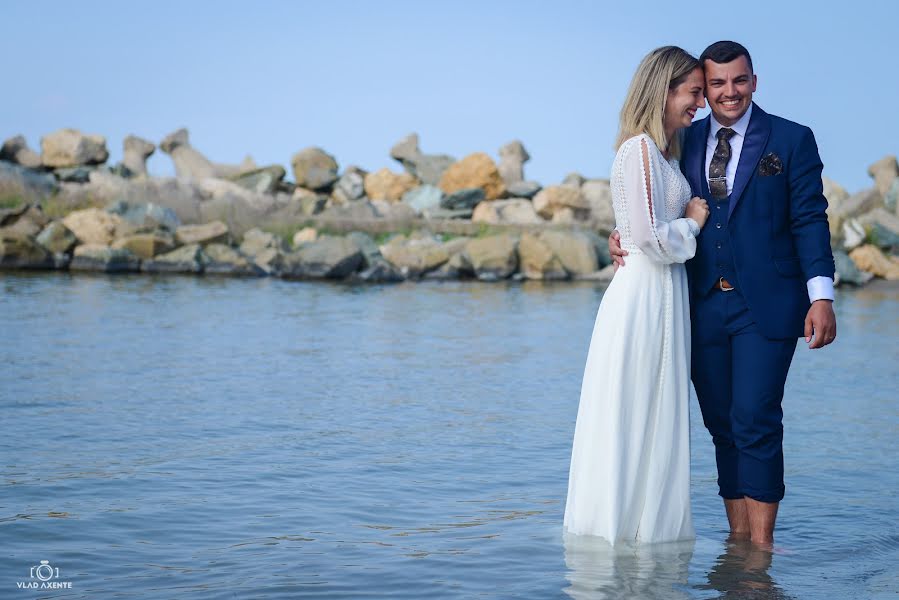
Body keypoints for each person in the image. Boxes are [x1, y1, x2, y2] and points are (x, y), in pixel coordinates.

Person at [609, 41, 837, 546]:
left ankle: (762, 551)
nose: (728, 92)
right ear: (704, 89)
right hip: (697, 305)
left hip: (768, 305)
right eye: (716, 84)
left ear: (754, 81)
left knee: (755, 416)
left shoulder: (792, 139)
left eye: (739, 81)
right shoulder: (681, 141)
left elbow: (809, 220)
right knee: (720, 423)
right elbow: (652, 204)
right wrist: (622, 234)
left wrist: (821, 296)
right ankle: (739, 544)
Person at [562, 46, 710, 544]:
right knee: (632, 407)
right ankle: (619, 530)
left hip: (663, 290)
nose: (701, 104)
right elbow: (647, 238)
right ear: (663, 91)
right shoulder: (638, 151)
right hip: (644, 295)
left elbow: (636, 227)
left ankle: (648, 531)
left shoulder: (661, 153)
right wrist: (692, 221)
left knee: (654, 407)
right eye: (693, 92)